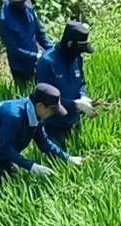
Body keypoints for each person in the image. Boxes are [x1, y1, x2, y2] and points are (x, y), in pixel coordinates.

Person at [0, 83, 82, 186]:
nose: (53, 114)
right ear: (40, 105)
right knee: (0, 187)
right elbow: (6, 148)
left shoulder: (35, 115)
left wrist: (68, 158)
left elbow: (44, 142)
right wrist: (32, 167)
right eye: (52, 110)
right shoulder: (14, 117)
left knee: (13, 180)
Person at [35, 19, 96, 149]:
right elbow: (45, 97)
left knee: (79, 150)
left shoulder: (76, 59)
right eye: (80, 49)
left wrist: (83, 96)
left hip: (74, 120)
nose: (81, 53)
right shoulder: (46, 62)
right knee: (61, 161)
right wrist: (75, 104)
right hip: (55, 124)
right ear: (69, 44)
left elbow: (81, 83)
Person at [0, 0, 50, 90]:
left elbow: (40, 33)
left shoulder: (28, 6)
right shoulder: (3, 19)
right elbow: (14, 49)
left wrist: (53, 51)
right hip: (20, 67)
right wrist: (36, 56)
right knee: (26, 95)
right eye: (21, 2)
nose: (24, 4)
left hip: (38, 62)